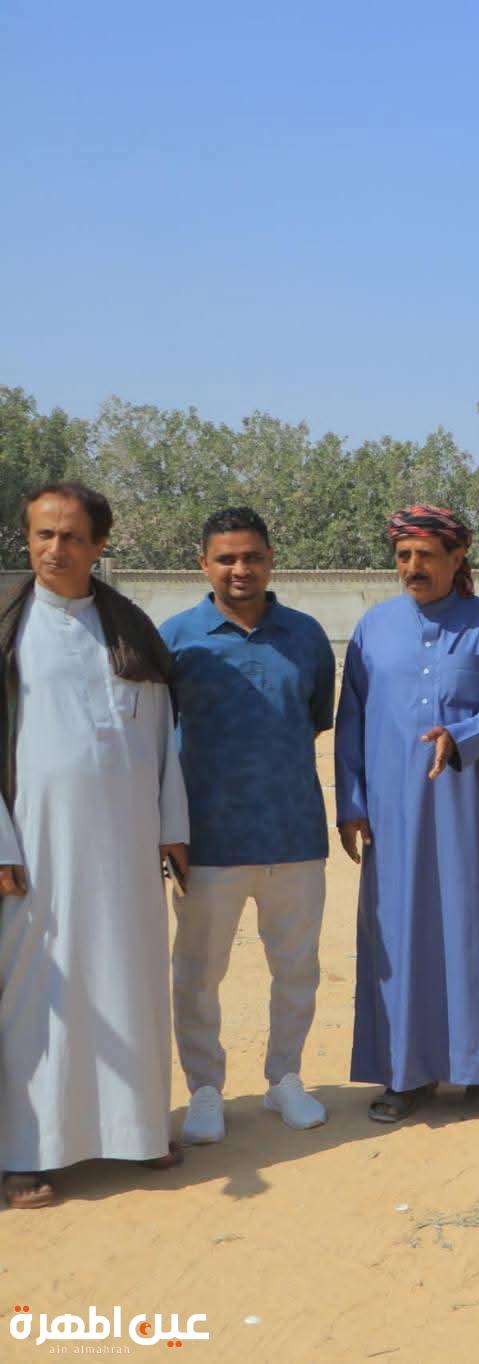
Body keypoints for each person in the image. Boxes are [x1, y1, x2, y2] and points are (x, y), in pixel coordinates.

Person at [1, 483, 189, 1210]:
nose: (56, 549)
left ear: (99, 545)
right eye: (43, 535)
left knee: (130, 982)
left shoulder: (132, 630)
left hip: (128, 850)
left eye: (72, 537)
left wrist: (173, 828)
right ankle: (27, 1152)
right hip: (36, 850)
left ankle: (137, 1131)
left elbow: (165, 740)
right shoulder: (11, 630)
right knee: (34, 997)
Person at [335, 504, 479, 1123]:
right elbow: (351, 720)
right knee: (401, 933)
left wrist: (462, 736)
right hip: (393, 812)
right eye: (403, 556)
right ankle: (406, 1074)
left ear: (457, 558)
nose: (413, 567)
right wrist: (351, 803)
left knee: (475, 928)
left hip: (469, 807)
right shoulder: (373, 627)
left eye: (426, 555)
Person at [160, 507, 336, 1143]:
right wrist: (168, 829)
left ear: (270, 560)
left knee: (297, 969)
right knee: (199, 973)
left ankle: (284, 1078)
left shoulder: (306, 636)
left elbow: (312, 719)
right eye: (226, 558)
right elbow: (156, 737)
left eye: (252, 556)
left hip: (294, 834)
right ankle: (205, 1089)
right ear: (203, 564)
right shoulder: (175, 638)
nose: (241, 569)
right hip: (207, 841)